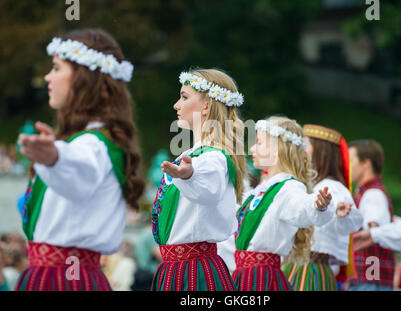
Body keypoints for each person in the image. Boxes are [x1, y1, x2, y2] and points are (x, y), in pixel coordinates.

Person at [15, 29, 145, 291]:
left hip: (63, 281)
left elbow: (79, 170)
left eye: (56, 68)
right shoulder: (90, 141)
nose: (47, 76)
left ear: (83, 78)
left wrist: (55, 158)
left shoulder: (94, 145)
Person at [151, 69, 246, 291]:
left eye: (184, 97)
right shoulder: (195, 155)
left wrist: (191, 176)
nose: (177, 104)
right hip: (176, 269)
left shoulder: (213, 156)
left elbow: (209, 188)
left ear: (206, 106)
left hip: (193, 274)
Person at [233, 117, 334, 291]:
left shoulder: (288, 187)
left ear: (278, 148)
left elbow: (302, 206)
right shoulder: (261, 190)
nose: (252, 148)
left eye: (259, 143)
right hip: (245, 275)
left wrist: (318, 206)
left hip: (260, 280)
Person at [281, 124, 363, 291]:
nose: (300, 151)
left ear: (320, 152)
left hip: (311, 271)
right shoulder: (306, 184)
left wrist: (340, 213)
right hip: (294, 266)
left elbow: (348, 221)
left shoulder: (333, 188)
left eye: (305, 145)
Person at [346, 139, 395, 291]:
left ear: (366, 163)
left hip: (370, 281)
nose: (347, 166)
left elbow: (375, 229)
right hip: (369, 280)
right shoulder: (368, 193)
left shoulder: (373, 194)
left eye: (351, 160)